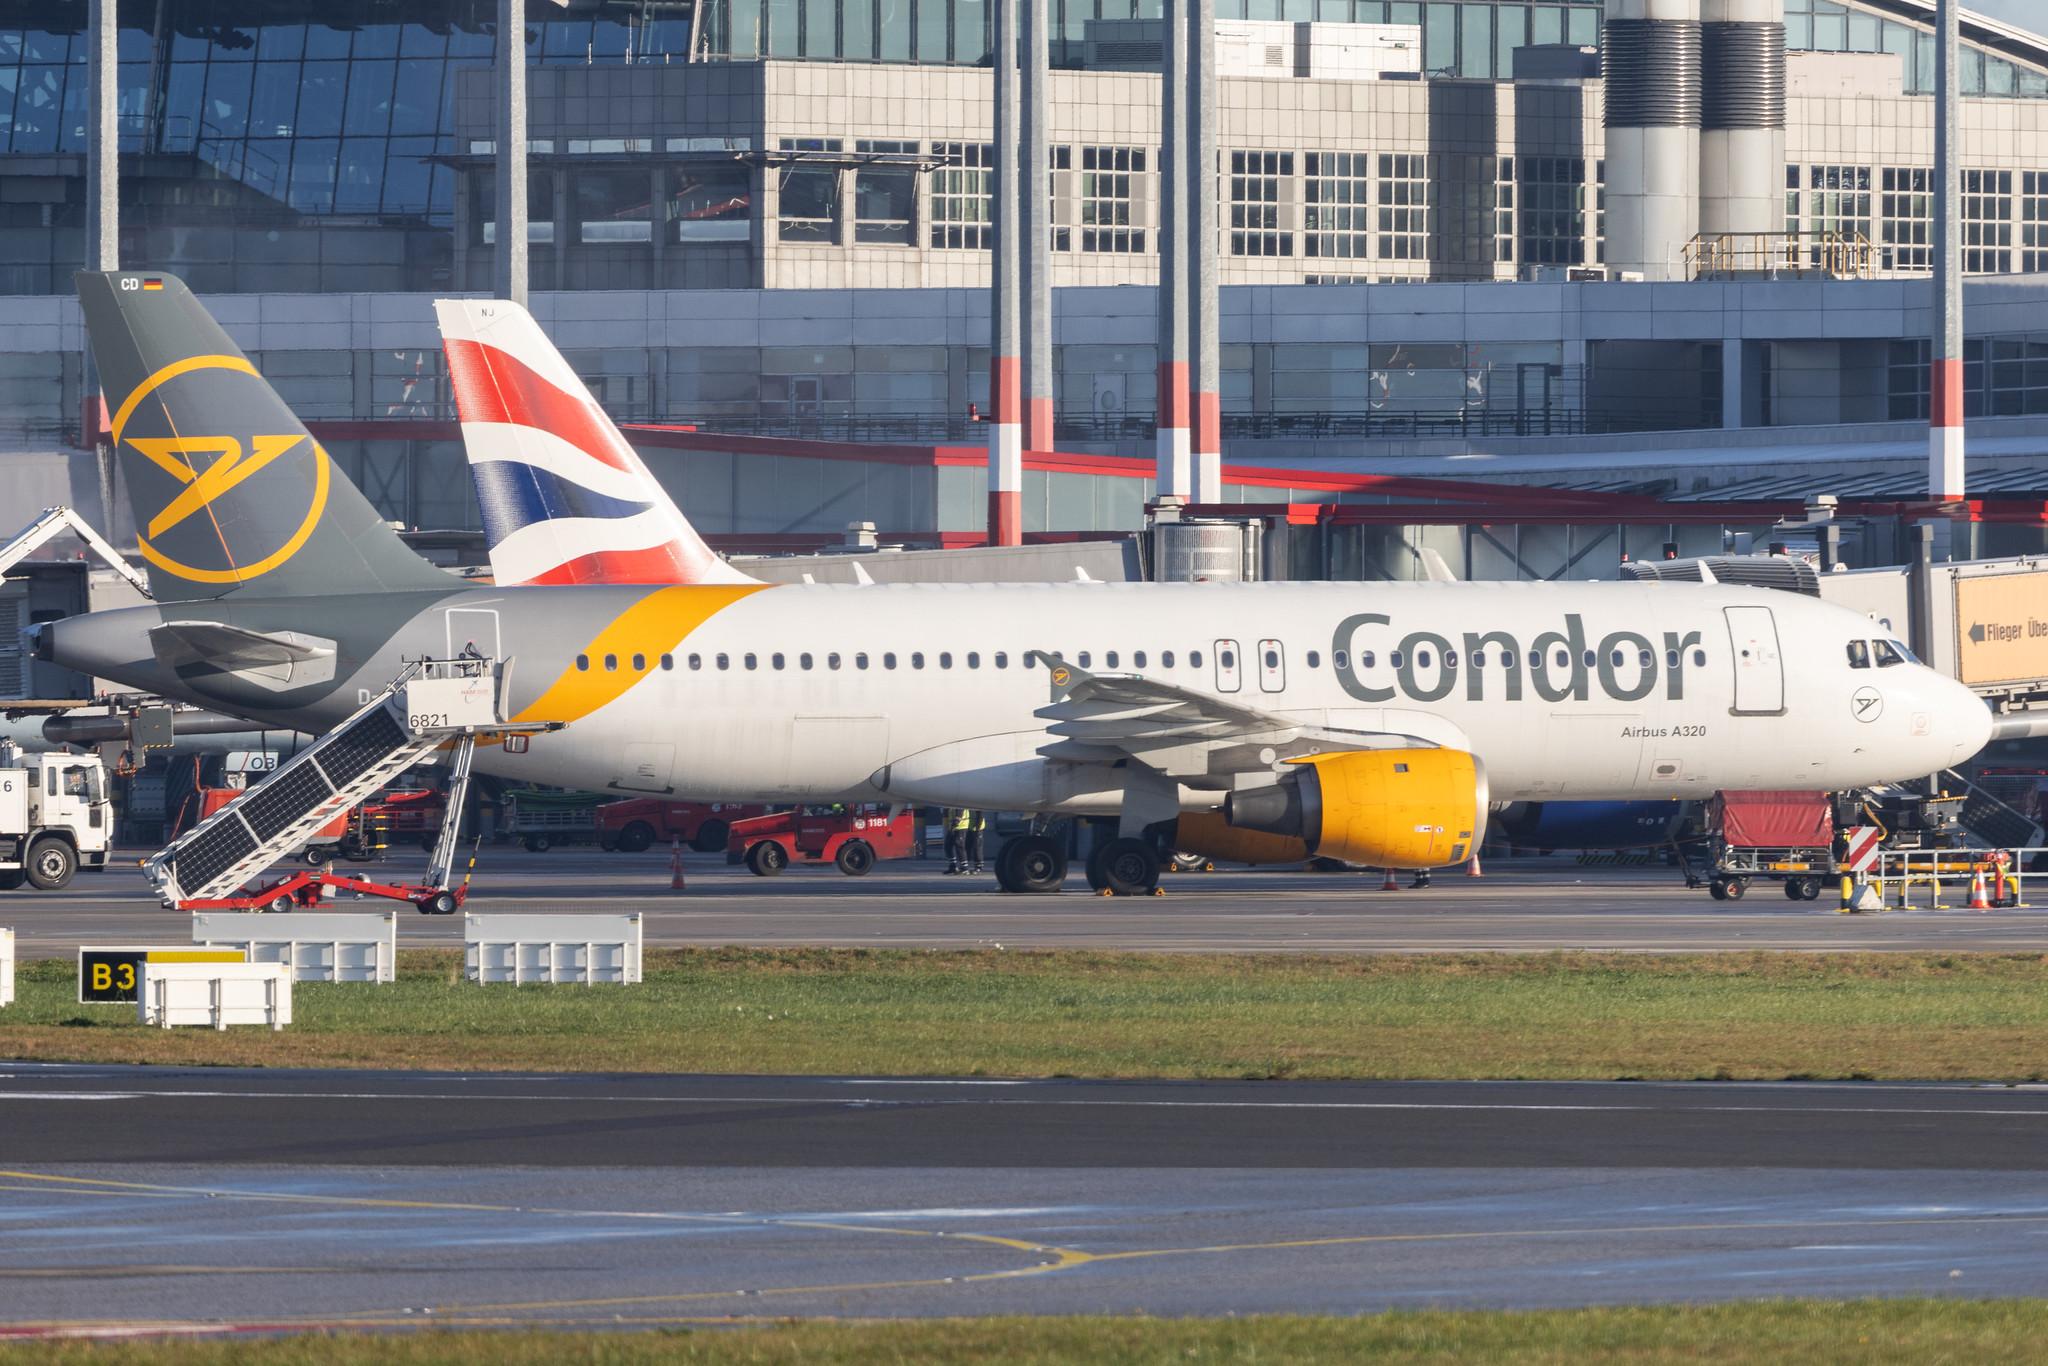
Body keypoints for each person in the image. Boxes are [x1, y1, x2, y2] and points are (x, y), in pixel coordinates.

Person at [943, 807, 970, 874]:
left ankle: (965, 868)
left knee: (959, 846)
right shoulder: (952, 802)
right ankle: (953, 866)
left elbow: (960, 810)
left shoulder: (959, 800)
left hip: (961, 826)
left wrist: (956, 821)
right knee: (948, 845)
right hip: (953, 826)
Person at [966, 809, 988, 874]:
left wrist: (978, 828)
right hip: (970, 828)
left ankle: (979, 867)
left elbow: (980, 816)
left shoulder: (976, 806)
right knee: (969, 847)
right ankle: (970, 865)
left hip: (977, 829)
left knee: (977, 847)